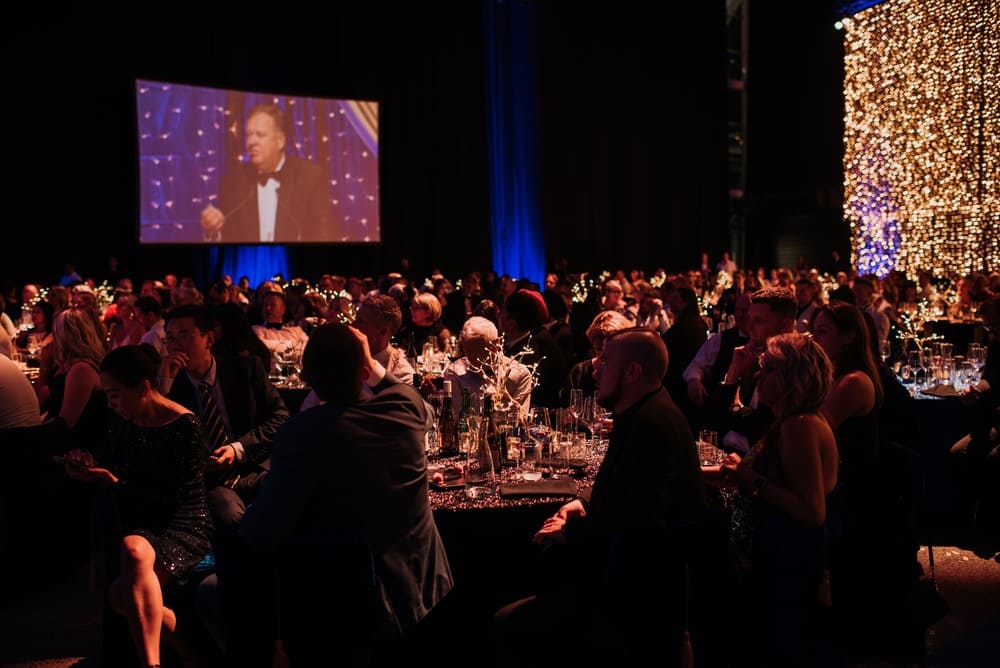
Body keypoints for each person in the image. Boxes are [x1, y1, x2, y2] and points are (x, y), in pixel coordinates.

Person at [240, 323, 454, 663]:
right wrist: (370, 364)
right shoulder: (404, 408)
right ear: (364, 370)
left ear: (308, 379)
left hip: (349, 614)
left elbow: (264, 532)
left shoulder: (301, 433)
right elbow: (416, 401)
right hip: (429, 595)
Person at [493, 328, 707, 664]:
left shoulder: (651, 425)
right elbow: (624, 487)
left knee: (508, 621)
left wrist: (569, 533)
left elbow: (640, 523)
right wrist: (582, 502)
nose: (594, 371)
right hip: (624, 575)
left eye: (605, 362)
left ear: (632, 372)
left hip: (637, 595)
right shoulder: (642, 411)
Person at [61, 344, 213, 668]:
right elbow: (106, 454)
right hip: (141, 521)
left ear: (143, 387)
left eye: (115, 395)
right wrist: (85, 464)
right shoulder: (126, 420)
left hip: (182, 524)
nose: (111, 404)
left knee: (125, 578)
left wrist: (112, 482)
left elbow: (170, 499)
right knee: (126, 582)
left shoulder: (184, 425)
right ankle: (194, 655)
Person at [707, 332, 840, 666]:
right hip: (779, 550)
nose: (757, 375)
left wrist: (753, 479)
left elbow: (812, 511)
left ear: (793, 376)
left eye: (767, 369)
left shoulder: (800, 426)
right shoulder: (791, 420)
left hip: (787, 556)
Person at [199, 103, 336, 243]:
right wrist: (213, 230)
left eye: (260, 135)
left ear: (280, 141)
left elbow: (324, 234)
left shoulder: (310, 177)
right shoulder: (233, 180)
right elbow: (227, 238)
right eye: (249, 135)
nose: (251, 142)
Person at [442, 316, 532, 415]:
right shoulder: (454, 373)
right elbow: (456, 420)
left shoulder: (520, 374)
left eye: (481, 356)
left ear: (496, 345)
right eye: (471, 355)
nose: (476, 363)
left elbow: (519, 421)